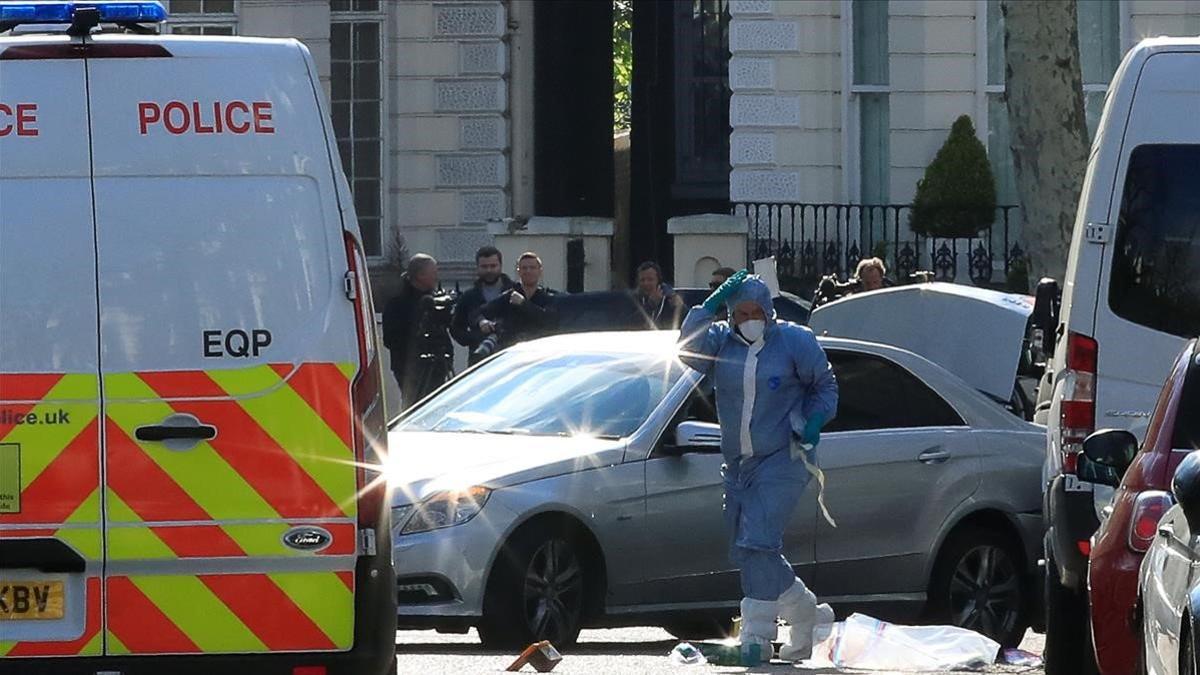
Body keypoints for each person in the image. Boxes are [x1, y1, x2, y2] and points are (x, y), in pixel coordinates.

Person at [678, 270, 839, 662]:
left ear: (768, 310)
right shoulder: (721, 342)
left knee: (759, 542)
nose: (748, 319)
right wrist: (711, 302)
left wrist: (815, 421)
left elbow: (825, 385)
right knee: (748, 549)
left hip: (785, 456)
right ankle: (807, 615)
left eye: (755, 311)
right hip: (738, 465)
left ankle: (757, 637)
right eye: (739, 312)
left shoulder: (794, 341)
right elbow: (686, 349)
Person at [382, 254, 453, 409]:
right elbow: (390, 339)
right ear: (420, 275)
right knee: (416, 407)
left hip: (438, 365)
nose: (436, 277)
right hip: (409, 368)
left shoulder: (434, 299)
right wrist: (417, 330)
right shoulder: (398, 304)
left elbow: (446, 327)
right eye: (433, 273)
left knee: (438, 405)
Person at [476, 251, 556, 357]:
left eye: (532, 268)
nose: (528, 271)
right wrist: (482, 321)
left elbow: (549, 321)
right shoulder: (509, 296)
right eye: (524, 268)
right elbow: (479, 312)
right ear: (518, 271)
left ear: (540, 271)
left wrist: (523, 303)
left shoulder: (548, 297)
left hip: (539, 354)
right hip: (511, 354)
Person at [451, 246, 512, 365]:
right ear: (477, 268)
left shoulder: (514, 292)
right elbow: (456, 328)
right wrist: (476, 338)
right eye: (484, 267)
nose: (489, 270)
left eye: (493, 266)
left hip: (509, 358)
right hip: (479, 360)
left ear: (500, 266)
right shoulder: (469, 297)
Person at [632, 261, 683, 329]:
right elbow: (629, 324)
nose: (646, 283)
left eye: (650, 279)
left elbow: (690, 323)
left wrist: (680, 307)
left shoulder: (669, 300)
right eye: (642, 280)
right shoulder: (633, 299)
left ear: (658, 281)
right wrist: (650, 305)